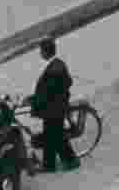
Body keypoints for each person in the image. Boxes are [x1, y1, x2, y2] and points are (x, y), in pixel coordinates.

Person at [26, 38, 79, 173]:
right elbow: (68, 82)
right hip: (57, 108)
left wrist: (31, 101)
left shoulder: (52, 71)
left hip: (52, 110)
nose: (40, 53)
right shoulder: (59, 64)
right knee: (53, 137)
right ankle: (51, 164)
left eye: (41, 51)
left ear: (44, 52)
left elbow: (46, 94)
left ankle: (68, 161)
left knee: (55, 137)